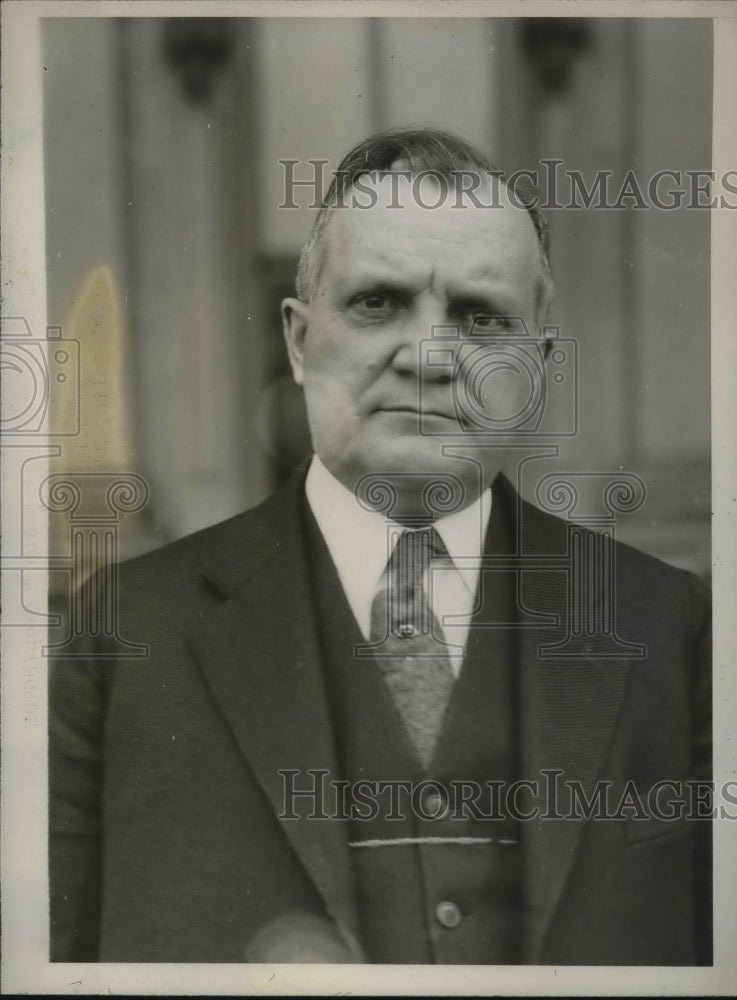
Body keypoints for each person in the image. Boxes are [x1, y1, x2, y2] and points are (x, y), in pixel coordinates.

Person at [49, 127, 711, 965]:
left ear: (535, 368)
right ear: (296, 340)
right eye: (377, 303)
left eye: (479, 316)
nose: (429, 356)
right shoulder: (120, 631)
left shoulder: (668, 628)